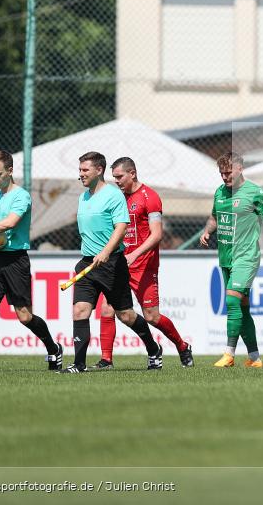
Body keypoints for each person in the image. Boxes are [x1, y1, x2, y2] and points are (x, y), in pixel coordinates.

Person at [58, 151, 162, 373]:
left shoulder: (114, 195)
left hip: (111, 264)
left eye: (85, 170)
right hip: (87, 263)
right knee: (80, 311)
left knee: (125, 315)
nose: (81, 175)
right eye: (80, 170)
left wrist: (106, 251)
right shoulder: (83, 197)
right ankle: (78, 364)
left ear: (99, 170)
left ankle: (153, 349)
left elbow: (121, 227)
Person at [92, 157, 193, 370]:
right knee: (107, 311)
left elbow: (156, 235)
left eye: (120, 177)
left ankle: (182, 346)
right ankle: (106, 360)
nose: (116, 181)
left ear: (133, 173)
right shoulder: (117, 198)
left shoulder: (150, 197)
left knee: (152, 317)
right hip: (119, 264)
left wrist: (134, 254)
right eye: (114, 177)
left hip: (143, 266)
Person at [0, 150, 62, 372]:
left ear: (10, 171)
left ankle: (53, 348)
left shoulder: (21, 196)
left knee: (24, 316)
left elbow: (9, 223)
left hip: (15, 260)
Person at [201, 152, 263, 368]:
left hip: (247, 257)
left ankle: (228, 354)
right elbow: (214, 216)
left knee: (231, 301)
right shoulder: (220, 192)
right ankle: (254, 358)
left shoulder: (256, 193)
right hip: (225, 257)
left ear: (240, 168)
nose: (224, 177)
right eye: (221, 173)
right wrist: (207, 231)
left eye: (228, 172)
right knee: (242, 308)